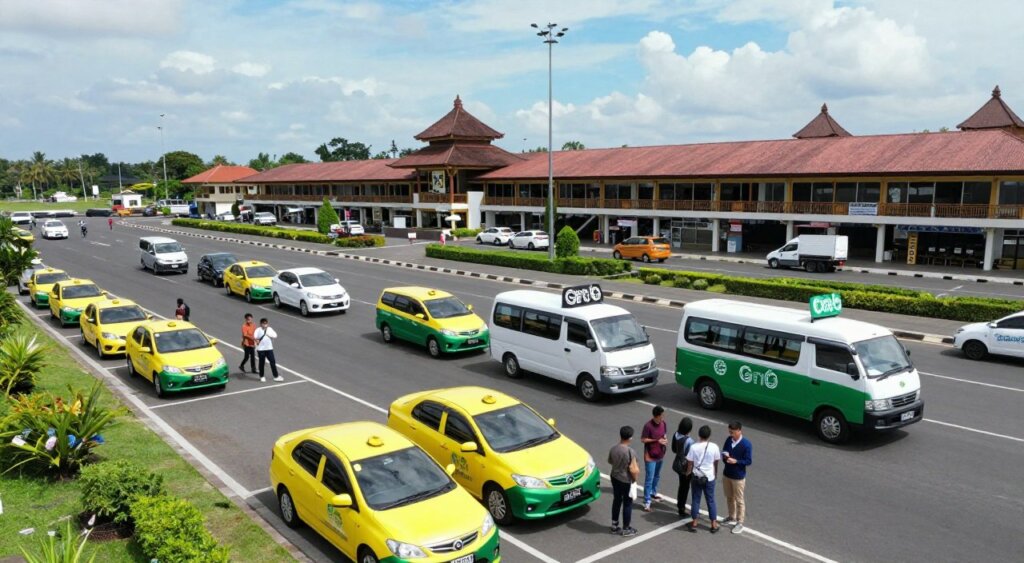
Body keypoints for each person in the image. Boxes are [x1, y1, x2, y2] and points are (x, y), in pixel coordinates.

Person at [686, 425, 721, 533]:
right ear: (709, 435)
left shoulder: (693, 447)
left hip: (697, 476)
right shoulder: (714, 447)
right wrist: (715, 472)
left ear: (699, 435)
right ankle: (713, 524)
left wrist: (688, 473)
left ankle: (695, 522)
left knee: (696, 499)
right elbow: (716, 462)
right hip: (709, 477)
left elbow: (690, 463)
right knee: (710, 500)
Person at [721, 421, 753, 534]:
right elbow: (724, 451)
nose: (731, 434)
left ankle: (740, 522)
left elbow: (748, 461)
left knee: (739, 500)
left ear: (739, 431)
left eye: (733, 432)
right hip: (727, 474)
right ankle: (731, 516)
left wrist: (736, 461)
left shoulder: (746, 444)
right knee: (729, 497)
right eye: (730, 432)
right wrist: (725, 456)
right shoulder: (729, 440)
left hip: (738, 477)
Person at [607, 425, 638, 537]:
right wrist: (634, 480)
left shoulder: (614, 448)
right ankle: (626, 528)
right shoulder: (630, 452)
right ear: (630, 438)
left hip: (614, 477)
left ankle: (614, 525)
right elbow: (633, 470)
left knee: (617, 500)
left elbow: (610, 461)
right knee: (627, 503)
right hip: (626, 480)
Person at [640, 405, 668, 512]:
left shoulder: (663, 424)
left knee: (657, 476)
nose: (663, 418)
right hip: (650, 456)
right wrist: (656, 440)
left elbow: (664, 434)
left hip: (660, 454)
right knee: (649, 478)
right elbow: (643, 439)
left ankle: (653, 493)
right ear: (656, 416)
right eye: (661, 416)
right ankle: (647, 501)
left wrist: (665, 439)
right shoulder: (648, 426)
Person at [670, 417, 695, 519]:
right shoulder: (689, 441)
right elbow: (691, 456)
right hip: (685, 466)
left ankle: (680, 506)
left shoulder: (676, 434)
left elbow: (673, 449)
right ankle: (681, 508)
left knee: (682, 486)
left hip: (678, 463)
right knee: (685, 487)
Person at [254, 317, 281, 382]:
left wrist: (268, 334)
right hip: (261, 350)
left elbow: (275, 335)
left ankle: (276, 376)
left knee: (272, 362)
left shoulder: (269, 329)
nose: (265, 324)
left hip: (269, 349)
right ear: (261, 324)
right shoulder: (258, 330)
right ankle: (262, 376)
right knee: (261, 363)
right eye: (264, 323)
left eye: (266, 323)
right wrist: (256, 340)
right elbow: (254, 337)